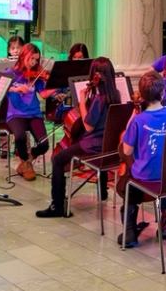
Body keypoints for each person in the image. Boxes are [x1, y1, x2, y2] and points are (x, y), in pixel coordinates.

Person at [36, 57, 117, 218]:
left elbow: (88, 126)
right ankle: (103, 192)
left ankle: (57, 206)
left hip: (93, 146)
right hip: (108, 146)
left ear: (96, 75)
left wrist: (81, 101)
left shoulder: (99, 99)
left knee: (57, 159)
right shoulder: (116, 95)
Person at [119, 72, 166, 248]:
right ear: (163, 93)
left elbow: (127, 150)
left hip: (145, 177)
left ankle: (130, 231)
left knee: (131, 181)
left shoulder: (138, 120)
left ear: (143, 95)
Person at [4, 44, 50, 181]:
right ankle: (25, 162)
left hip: (34, 113)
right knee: (19, 137)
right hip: (15, 114)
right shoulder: (10, 72)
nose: (34, 63)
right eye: (32, 59)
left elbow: (43, 94)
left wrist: (57, 86)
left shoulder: (37, 74)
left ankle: (27, 161)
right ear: (24, 56)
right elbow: (1, 88)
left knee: (44, 144)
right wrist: (16, 89)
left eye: (36, 60)